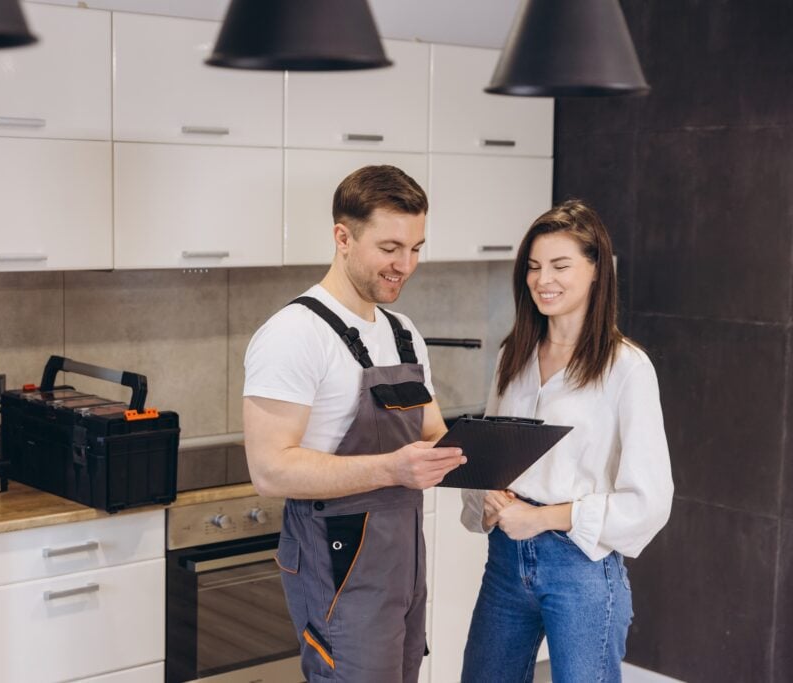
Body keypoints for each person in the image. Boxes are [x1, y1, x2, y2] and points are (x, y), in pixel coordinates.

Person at [243, 165, 467, 683]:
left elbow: (432, 434)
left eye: (416, 248)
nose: (405, 265)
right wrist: (393, 469)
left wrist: (500, 452)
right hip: (337, 561)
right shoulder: (293, 334)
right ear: (343, 237)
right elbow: (270, 472)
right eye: (390, 248)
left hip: (402, 562)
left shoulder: (403, 331)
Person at [459, 199, 674, 682]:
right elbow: (491, 457)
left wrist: (540, 518)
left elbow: (650, 501)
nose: (543, 280)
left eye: (560, 265)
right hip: (505, 563)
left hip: (580, 569)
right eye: (534, 267)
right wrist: (488, 497)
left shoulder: (627, 368)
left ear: (597, 270)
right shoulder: (512, 356)